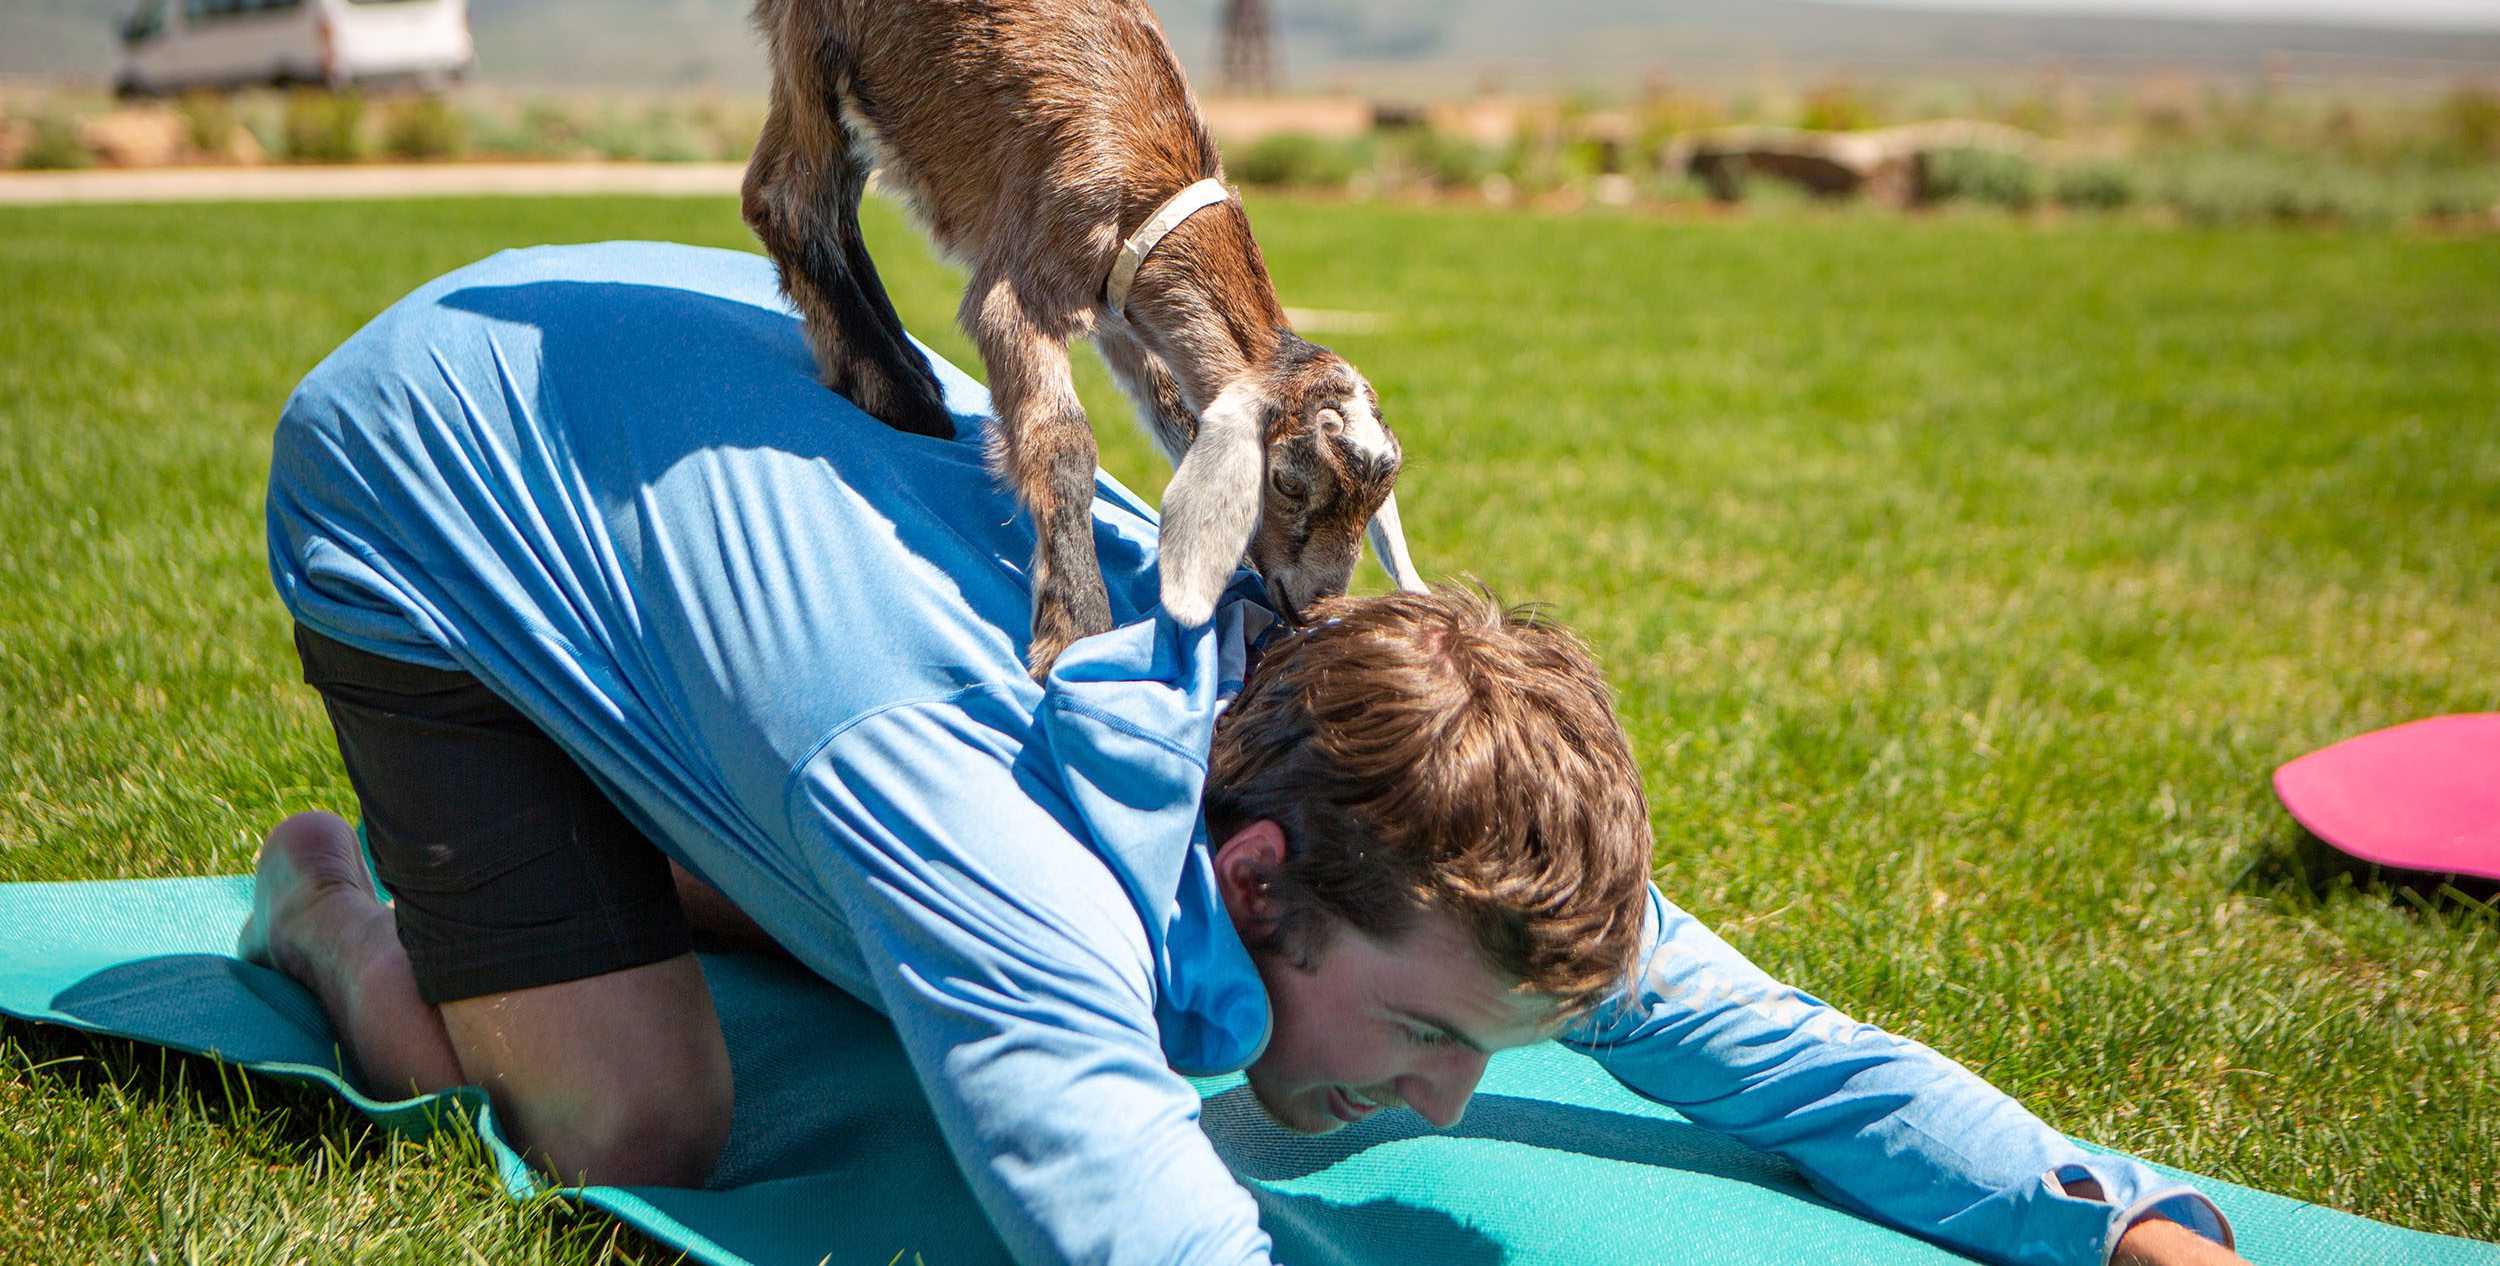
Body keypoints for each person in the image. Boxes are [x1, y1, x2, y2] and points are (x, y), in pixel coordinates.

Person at [242, 241, 2245, 1266]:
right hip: (440, 464)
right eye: (1427, 1042)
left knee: (841, 906)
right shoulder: (966, 816)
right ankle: (334, 908)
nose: (1440, 1108)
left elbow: (1766, 1040)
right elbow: (1116, 1203)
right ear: (1258, 880)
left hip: (731, 492)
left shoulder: (1402, 798)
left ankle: (652, 834)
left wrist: (2114, 1222)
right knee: (633, 1130)